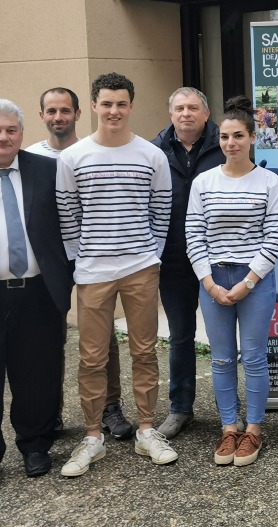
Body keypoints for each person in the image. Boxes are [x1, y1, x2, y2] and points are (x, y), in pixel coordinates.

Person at [56, 72, 176, 477]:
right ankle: (93, 437)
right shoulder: (73, 157)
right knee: (91, 358)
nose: (114, 111)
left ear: (131, 106)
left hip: (140, 267)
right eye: (106, 103)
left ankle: (146, 430)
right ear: (93, 105)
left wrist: (151, 254)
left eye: (121, 103)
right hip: (93, 270)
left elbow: (161, 209)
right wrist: (80, 258)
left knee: (144, 352)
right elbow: (67, 212)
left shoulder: (151, 155)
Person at [186, 96, 278, 467]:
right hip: (213, 278)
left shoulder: (269, 182)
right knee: (222, 358)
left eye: (239, 136)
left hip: (254, 280)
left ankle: (254, 430)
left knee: (255, 358)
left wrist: (249, 281)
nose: (231, 143)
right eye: (225, 137)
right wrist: (209, 282)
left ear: (252, 138)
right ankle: (230, 427)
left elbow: (276, 234)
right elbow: (193, 233)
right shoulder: (204, 182)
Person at [25, 87, 132, 440]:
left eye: (65, 110)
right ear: (42, 115)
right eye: (51, 111)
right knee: (47, 337)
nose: (59, 117)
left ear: (78, 114)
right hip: (46, 262)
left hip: (90, 256)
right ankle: (49, 413)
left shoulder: (93, 151)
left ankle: (109, 408)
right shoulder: (30, 158)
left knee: (102, 338)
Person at [0, 99, 71, 477]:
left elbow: (68, 225)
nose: (4, 137)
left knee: (37, 374)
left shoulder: (46, 169)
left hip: (37, 291)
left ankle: (35, 445)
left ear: (22, 133)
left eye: (11, 130)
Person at [153, 87, 225, 438]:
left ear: (206, 114)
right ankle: (181, 408)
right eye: (179, 108)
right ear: (171, 114)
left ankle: (230, 412)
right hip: (173, 260)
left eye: (193, 108)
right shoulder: (154, 151)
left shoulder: (224, 145)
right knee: (181, 336)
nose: (186, 114)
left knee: (222, 338)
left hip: (219, 260)